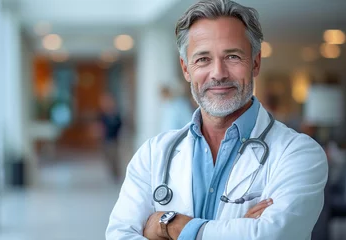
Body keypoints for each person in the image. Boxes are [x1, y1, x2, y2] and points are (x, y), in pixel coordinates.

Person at [106, 0, 328, 239]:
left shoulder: (299, 153)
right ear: (186, 69)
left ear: (255, 63)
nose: (219, 73)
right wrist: (238, 229)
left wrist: (169, 226)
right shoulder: (152, 154)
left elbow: (272, 235)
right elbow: (120, 235)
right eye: (203, 59)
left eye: (232, 56)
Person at [97, 93, 122, 183]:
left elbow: (119, 125)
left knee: (114, 157)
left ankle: (116, 175)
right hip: (106, 139)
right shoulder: (103, 114)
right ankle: (112, 173)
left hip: (114, 139)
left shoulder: (115, 114)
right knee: (108, 157)